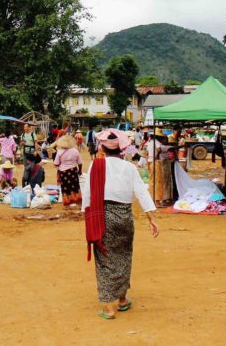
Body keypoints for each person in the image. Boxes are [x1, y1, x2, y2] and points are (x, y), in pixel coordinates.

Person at [83, 133, 159, 320]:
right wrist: (151, 218)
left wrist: (87, 216)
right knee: (124, 255)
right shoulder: (129, 168)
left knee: (105, 259)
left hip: (103, 215)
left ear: (102, 149)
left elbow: (87, 194)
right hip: (125, 216)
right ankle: (123, 300)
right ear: (122, 149)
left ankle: (109, 308)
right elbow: (141, 192)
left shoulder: (95, 165)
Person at [53, 134, 83, 207]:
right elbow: (80, 163)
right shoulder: (75, 151)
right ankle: (77, 201)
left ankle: (67, 203)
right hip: (73, 171)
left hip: (63, 172)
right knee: (75, 186)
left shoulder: (59, 152)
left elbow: (56, 164)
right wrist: (80, 171)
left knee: (65, 187)